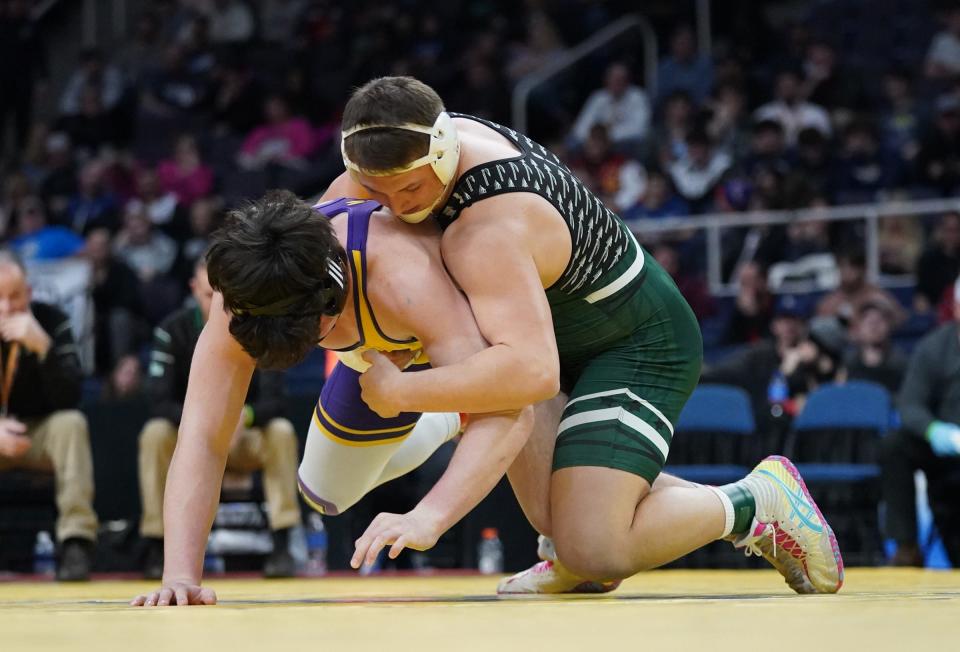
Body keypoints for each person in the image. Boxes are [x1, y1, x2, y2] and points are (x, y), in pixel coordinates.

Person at [325, 76, 841, 594]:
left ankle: (757, 501)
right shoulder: (401, 143)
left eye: (411, 189)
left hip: (634, 341)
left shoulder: (485, 228)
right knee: (559, 516)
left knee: (595, 547)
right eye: (376, 193)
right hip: (544, 338)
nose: (395, 207)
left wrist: (403, 397)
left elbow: (529, 372)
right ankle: (575, 545)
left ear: (443, 152)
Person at [131, 192, 530, 606]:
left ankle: (448, 409)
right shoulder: (242, 298)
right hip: (390, 359)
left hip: (479, 343)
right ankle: (443, 418)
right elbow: (202, 436)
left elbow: (513, 405)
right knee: (324, 491)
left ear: (326, 306)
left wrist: (431, 515)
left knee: (582, 546)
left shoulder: (402, 275)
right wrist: (179, 574)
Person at [137, 256, 303, 579]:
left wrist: (247, 415)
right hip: (191, 437)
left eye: (223, 298)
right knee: (155, 434)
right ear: (193, 288)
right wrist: (207, 423)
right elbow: (157, 401)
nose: (217, 306)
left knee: (281, 431)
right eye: (208, 296)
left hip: (244, 435)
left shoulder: (255, 323)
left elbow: (276, 398)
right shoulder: (173, 330)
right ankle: (157, 543)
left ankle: (282, 540)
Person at [0, 249, 98, 581]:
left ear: (28, 292)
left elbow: (72, 396)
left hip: (38, 433)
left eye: (13, 297)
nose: (5, 308)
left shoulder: (53, 320)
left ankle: (75, 541)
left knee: (71, 424)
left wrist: (44, 347)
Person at [882, 277, 960, 567]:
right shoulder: (934, 347)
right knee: (895, 445)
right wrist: (936, 431)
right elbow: (910, 404)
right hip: (944, 448)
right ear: (956, 309)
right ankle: (906, 547)